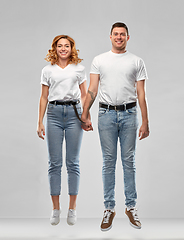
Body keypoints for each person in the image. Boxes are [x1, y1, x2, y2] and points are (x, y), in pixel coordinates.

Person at [81, 22, 149, 231]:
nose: (119, 37)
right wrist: (85, 113)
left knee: (129, 162)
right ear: (110, 36)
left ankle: (131, 207)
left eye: (122, 34)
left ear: (128, 37)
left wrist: (145, 121)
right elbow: (92, 89)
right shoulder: (99, 60)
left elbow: (141, 94)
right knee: (108, 162)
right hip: (106, 114)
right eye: (115, 34)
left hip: (130, 114)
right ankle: (109, 208)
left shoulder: (136, 61)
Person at [37, 35, 87, 226]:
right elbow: (43, 97)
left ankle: (72, 209)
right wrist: (40, 122)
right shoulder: (47, 70)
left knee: (73, 162)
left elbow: (84, 95)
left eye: (67, 46)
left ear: (72, 48)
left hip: (74, 113)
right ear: (55, 48)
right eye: (60, 46)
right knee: (54, 163)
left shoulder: (79, 69)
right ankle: (55, 209)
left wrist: (86, 116)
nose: (63, 49)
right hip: (53, 114)